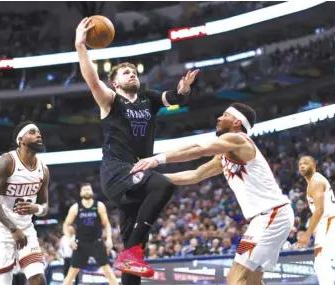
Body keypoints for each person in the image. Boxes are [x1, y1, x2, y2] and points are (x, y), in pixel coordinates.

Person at [75, 17, 199, 283]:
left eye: (134, 71)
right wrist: (80, 46)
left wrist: (182, 89)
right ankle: (131, 252)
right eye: (126, 73)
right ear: (116, 83)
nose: (132, 74)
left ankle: (132, 255)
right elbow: (92, 78)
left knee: (137, 252)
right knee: (164, 185)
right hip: (117, 172)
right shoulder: (110, 100)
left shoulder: (149, 98)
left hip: (137, 173)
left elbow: (172, 98)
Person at [131, 102, 294, 285]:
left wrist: (156, 159)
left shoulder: (238, 139)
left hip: (272, 215)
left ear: (236, 122)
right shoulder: (226, 154)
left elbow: (198, 149)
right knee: (252, 280)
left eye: (225, 115)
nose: (219, 118)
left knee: (235, 277)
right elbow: (195, 175)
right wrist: (153, 178)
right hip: (271, 215)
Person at [0, 121, 49, 285]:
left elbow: (45, 206)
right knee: (3, 281)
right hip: (0, 230)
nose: (38, 135)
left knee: (38, 279)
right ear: (21, 139)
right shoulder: (8, 161)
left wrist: (37, 208)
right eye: (32, 132)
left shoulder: (43, 169)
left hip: (26, 229)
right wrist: (13, 228)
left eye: (39, 132)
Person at [62, 183, 118, 285]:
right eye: (84, 190)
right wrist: (70, 240)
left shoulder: (99, 205)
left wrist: (109, 239)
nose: (87, 191)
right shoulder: (76, 207)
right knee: (72, 272)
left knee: (107, 270)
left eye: (88, 189)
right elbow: (66, 224)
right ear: (80, 193)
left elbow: (106, 224)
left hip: (97, 242)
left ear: (92, 191)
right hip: (81, 243)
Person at [297, 156, 335, 285]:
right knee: (324, 262)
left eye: (306, 163)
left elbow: (320, 210)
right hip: (327, 222)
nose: (302, 166)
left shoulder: (316, 182)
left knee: (322, 262)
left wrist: (307, 233)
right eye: (300, 164)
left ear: (314, 166)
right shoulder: (314, 181)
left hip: (330, 221)